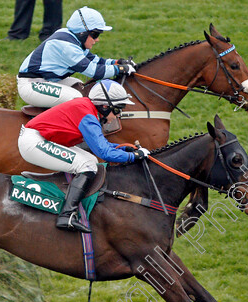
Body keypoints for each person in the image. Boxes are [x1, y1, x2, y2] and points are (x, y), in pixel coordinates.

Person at [18, 80, 150, 233]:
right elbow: (104, 153)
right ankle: (66, 215)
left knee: (91, 162)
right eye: (118, 108)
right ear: (105, 107)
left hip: (38, 138)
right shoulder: (88, 115)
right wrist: (132, 157)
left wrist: (125, 149)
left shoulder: (88, 109)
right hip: (34, 142)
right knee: (86, 165)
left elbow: (102, 146)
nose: (119, 114)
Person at [16, 6, 137, 108]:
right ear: (82, 33)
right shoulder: (66, 46)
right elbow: (94, 72)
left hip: (46, 80)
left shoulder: (72, 38)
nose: (97, 39)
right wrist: (121, 69)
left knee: (82, 87)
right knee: (77, 99)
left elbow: (95, 61)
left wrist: (117, 62)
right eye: (95, 34)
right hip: (31, 85)